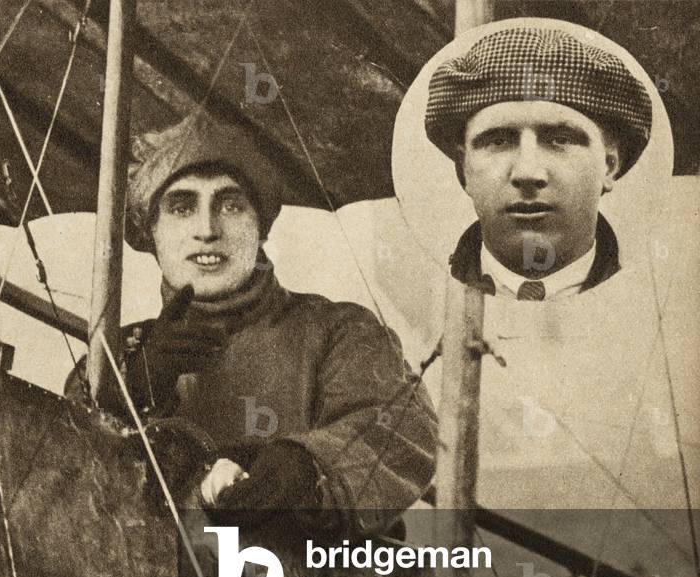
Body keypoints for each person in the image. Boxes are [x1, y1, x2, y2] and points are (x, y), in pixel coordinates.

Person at [66, 115, 437, 536]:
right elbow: (71, 482)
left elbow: (406, 431)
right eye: (182, 207)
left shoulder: (341, 332)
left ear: (261, 225)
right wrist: (130, 391)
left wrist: (307, 466)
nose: (207, 230)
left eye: (231, 204)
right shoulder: (115, 356)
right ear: (151, 231)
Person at [424, 26, 652, 300]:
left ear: (609, 165)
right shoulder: (425, 302)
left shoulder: (650, 300)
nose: (527, 173)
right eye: (498, 141)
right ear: (463, 168)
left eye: (560, 139)